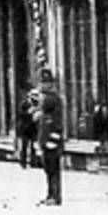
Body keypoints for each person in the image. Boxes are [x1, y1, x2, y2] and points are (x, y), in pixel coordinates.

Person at [36, 68, 64, 206]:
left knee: (52, 169)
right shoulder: (48, 98)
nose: (42, 85)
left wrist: (50, 141)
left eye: (45, 82)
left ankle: (55, 195)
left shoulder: (51, 99)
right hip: (47, 140)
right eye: (42, 82)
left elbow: (54, 122)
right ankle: (50, 194)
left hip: (52, 140)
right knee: (49, 170)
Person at [16, 86, 39, 169]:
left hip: (33, 128)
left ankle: (33, 162)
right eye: (33, 95)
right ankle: (23, 162)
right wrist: (29, 112)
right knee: (24, 146)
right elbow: (20, 114)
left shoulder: (37, 104)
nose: (35, 97)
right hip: (24, 128)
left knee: (34, 146)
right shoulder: (24, 104)